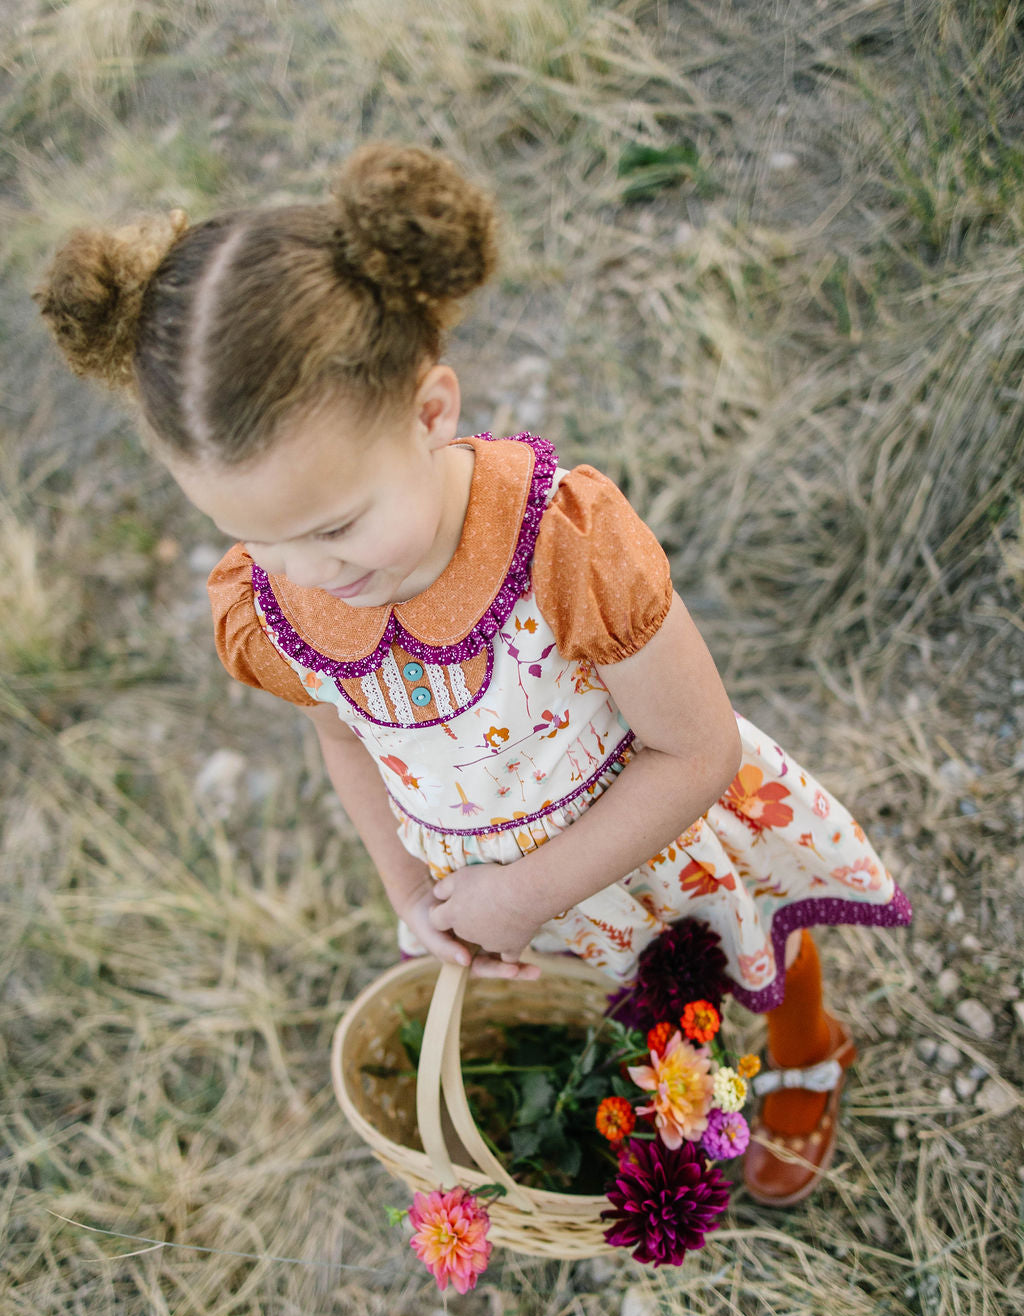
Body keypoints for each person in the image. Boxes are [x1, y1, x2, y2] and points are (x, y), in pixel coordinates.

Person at [34, 143, 910, 1207]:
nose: (314, 573)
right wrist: (415, 894)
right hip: (497, 881)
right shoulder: (281, 600)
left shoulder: (563, 544)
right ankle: (680, 1080)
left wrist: (527, 889)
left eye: (340, 524)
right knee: (636, 997)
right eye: (257, 538)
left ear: (431, 408)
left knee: (754, 935)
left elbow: (698, 749)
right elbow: (343, 732)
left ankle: (811, 1046)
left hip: (657, 835)